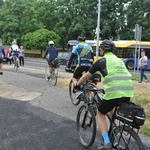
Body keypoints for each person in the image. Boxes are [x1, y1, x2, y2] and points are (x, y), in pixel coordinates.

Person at [74, 39, 134, 150]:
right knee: (112, 112)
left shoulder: (102, 61)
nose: (100, 50)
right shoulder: (119, 60)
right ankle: (114, 131)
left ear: (103, 50)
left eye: (101, 49)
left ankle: (107, 142)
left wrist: (77, 85)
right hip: (128, 92)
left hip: (114, 93)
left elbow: (85, 77)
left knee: (100, 114)